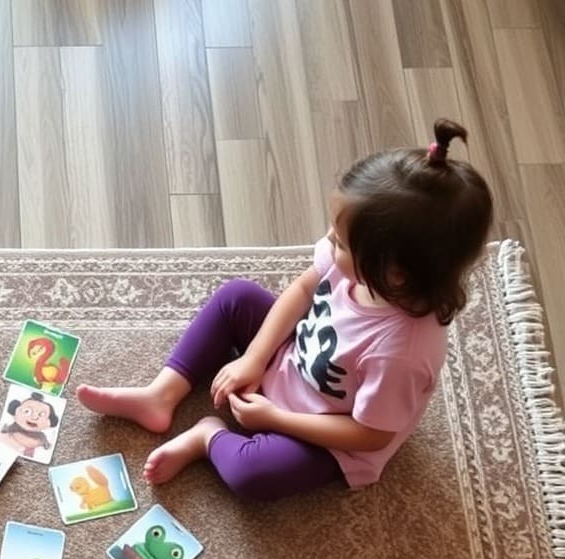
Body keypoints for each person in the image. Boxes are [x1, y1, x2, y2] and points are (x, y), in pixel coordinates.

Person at [76, 119, 493, 500]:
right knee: (237, 296)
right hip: (293, 359)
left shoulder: (402, 354)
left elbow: (369, 435)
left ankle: (207, 437)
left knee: (252, 475)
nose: (328, 240)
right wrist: (255, 358)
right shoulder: (356, 265)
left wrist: (275, 419)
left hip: (328, 432)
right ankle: (161, 395)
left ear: (395, 273)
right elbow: (303, 288)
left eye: (341, 242)